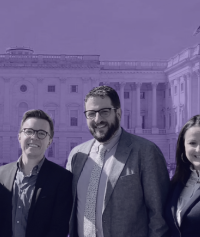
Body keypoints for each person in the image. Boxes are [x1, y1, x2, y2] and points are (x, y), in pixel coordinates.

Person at [66, 85, 170, 237]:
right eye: (91, 114)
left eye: (104, 112)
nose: (98, 119)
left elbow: (159, 217)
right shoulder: (77, 155)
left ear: (119, 113)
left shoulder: (146, 151)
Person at [0, 109, 73, 237]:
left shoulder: (62, 178)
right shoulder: (2, 173)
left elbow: (59, 228)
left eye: (41, 133)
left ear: (50, 141)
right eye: (29, 131)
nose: (34, 137)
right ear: (19, 136)